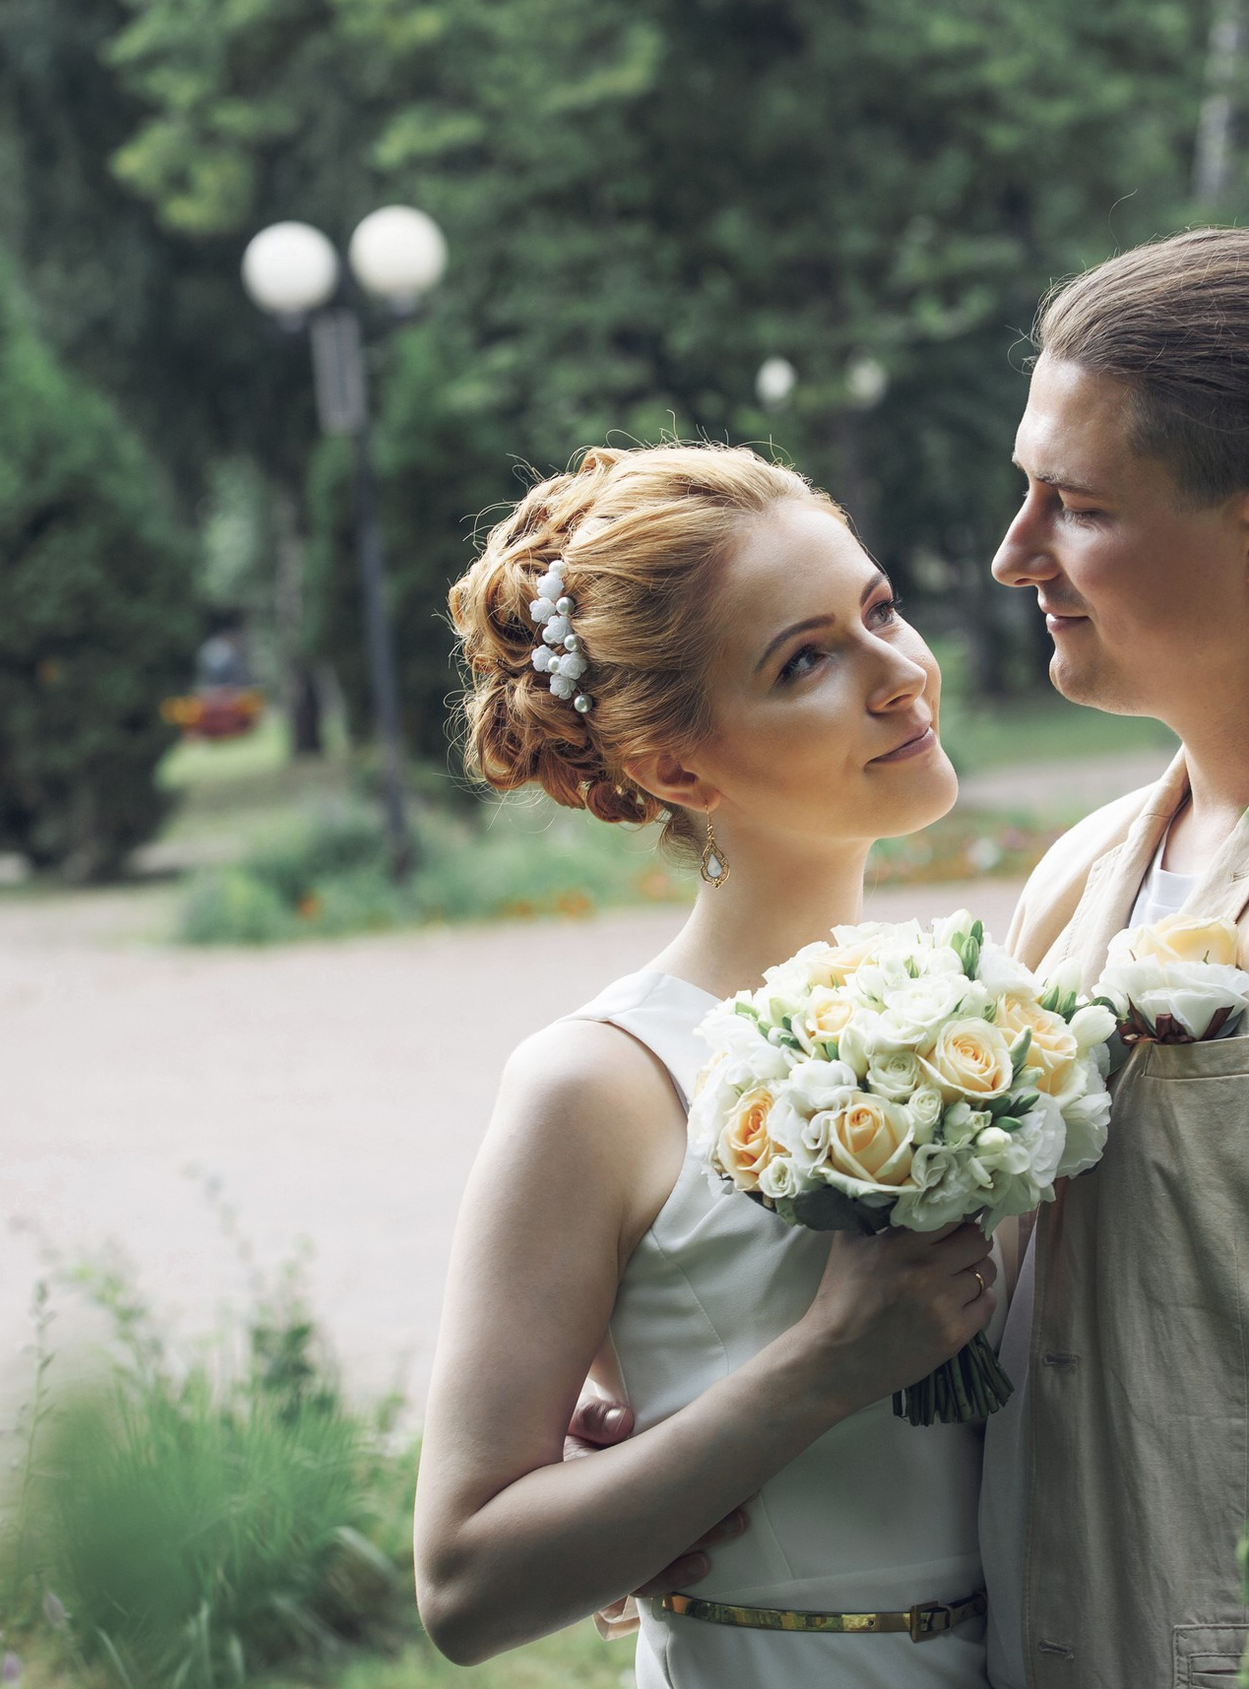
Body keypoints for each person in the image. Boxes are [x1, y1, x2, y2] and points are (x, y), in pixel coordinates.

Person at [570, 229, 1249, 1686]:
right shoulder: (1070, 886)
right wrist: (685, 1448)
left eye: (1072, 505)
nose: (1010, 557)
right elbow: (980, 1325)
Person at [413, 445, 999, 1687]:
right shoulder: (600, 1084)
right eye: (807, 658)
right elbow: (461, 1585)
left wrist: (644, 1483)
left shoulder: (997, 1008)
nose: (899, 675)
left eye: (879, 610)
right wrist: (813, 1371)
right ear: (678, 768)